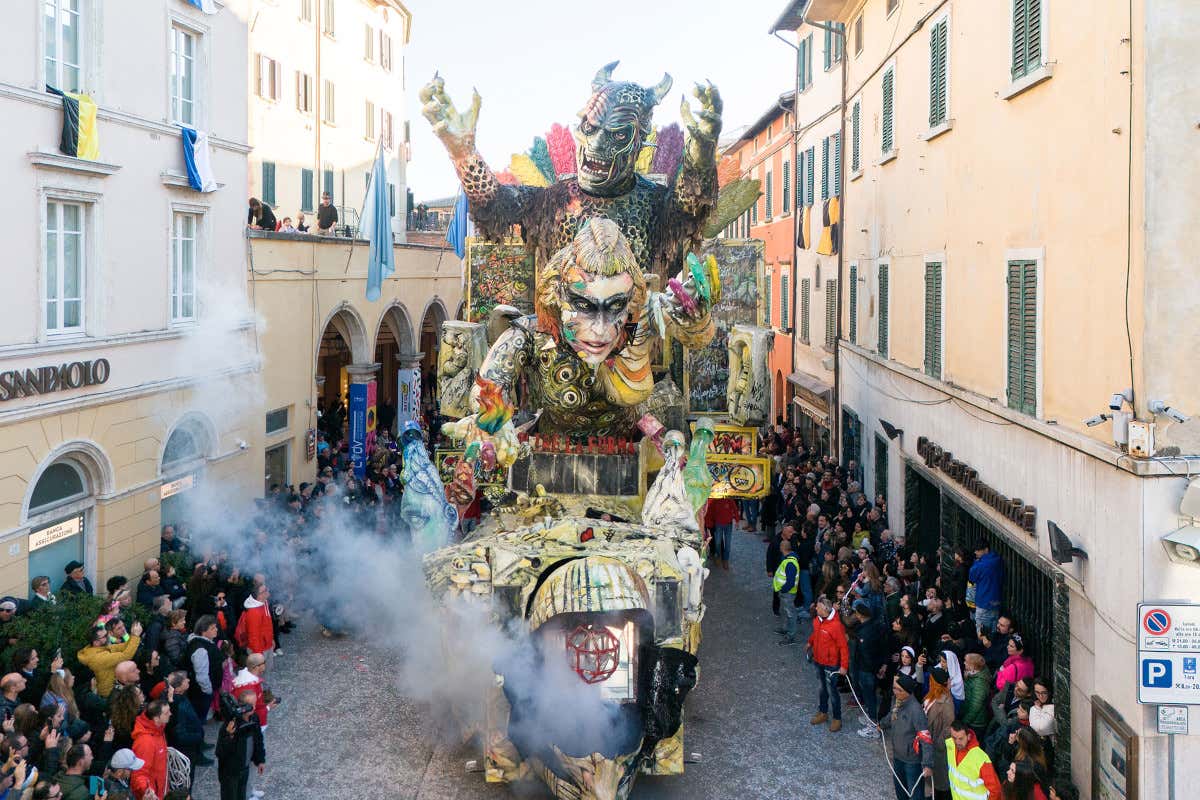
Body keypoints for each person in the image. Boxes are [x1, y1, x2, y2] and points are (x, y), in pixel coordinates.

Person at [880, 674, 933, 800]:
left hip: (912, 761)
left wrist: (927, 764)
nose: (895, 692)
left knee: (915, 795)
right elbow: (891, 715)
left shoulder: (916, 711)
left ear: (908, 692)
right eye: (894, 688)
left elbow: (926, 739)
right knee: (900, 790)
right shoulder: (898, 701)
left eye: (899, 690)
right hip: (898, 756)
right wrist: (881, 724)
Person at [806, 597, 850, 732]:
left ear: (824, 610)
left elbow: (843, 647)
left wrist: (843, 666)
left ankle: (837, 718)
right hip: (819, 661)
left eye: (818, 607)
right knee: (822, 689)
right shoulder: (818, 620)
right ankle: (823, 712)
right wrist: (810, 642)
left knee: (833, 691)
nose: (815, 608)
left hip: (831, 664)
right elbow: (816, 634)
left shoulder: (836, 626)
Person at [216, 689, 266, 800]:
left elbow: (258, 740)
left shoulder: (254, 718)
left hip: (245, 768)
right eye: (250, 704)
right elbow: (220, 752)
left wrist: (260, 760)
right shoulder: (229, 725)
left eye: (254, 703)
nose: (253, 707)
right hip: (230, 773)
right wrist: (230, 735)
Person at [76, 621, 142, 697]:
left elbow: (123, 646)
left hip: (116, 687)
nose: (108, 636)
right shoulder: (97, 658)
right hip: (110, 694)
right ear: (96, 642)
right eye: (105, 636)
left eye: (107, 634)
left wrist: (133, 635)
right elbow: (125, 656)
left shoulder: (98, 648)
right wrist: (136, 636)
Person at [946, 719, 1002, 800]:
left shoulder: (981, 758)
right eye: (954, 738)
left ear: (968, 736)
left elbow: (995, 790)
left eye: (961, 739)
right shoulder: (950, 745)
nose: (957, 742)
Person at [925, 667, 956, 800]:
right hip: (930, 743)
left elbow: (949, 728)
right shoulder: (933, 696)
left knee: (940, 782)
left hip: (938, 748)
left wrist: (937, 743)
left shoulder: (946, 703)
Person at [131, 700, 171, 800]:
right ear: (156, 718)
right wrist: (148, 792)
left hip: (160, 789)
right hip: (154, 794)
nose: (170, 714)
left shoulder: (158, 729)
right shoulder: (146, 742)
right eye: (166, 713)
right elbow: (139, 774)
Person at [186, 616, 222, 722]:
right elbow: (201, 675)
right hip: (201, 692)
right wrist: (208, 690)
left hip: (202, 690)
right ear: (203, 631)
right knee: (199, 719)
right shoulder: (201, 649)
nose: (216, 630)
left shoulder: (204, 643)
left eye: (216, 627)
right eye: (212, 628)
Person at [968, 541, 1003, 634]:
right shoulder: (997, 559)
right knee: (993, 632)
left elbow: (972, 577)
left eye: (978, 550)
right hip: (996, 602)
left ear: (986, 550)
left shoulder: (980, 565)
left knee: (982, 635)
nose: (975, 552)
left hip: (984, 603)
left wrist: (976, 562)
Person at [234, 585, 275, 662]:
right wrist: (258, 654)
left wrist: (271, 640)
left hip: (266, 645)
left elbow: (268, 625)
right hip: (260, 649)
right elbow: (253, 635)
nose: (268, 590)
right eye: (265, 590)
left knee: (267, 670)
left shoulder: (264, 602)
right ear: (259, 596)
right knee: (261, 673)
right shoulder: (254, 612)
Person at [771, 538, 800, 644]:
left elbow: (790, 582)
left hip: (787, 593)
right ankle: (785, 629)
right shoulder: (790, 560)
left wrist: (783, 590)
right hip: (786, 592)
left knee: (790, 614)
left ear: (783, 548)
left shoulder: (790, 562)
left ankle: (790, 636)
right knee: (786, 612)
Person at [960, 653, 993, 741]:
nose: (964, 663)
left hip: (976, 723)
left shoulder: (980, 684)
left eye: (966, 662)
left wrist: (964, 722)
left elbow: (975, 706)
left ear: (973, 666)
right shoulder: (973, 674)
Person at [704, 497, 738, 570]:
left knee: (728, 544)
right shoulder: (714, 500)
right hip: (718, 524)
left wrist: (737, 521)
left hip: (728, 525)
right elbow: (710, 512)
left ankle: (726, 560)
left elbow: (735, 509)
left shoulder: (729, 499)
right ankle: (718, 557)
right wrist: (709, 523)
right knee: (717, 543)